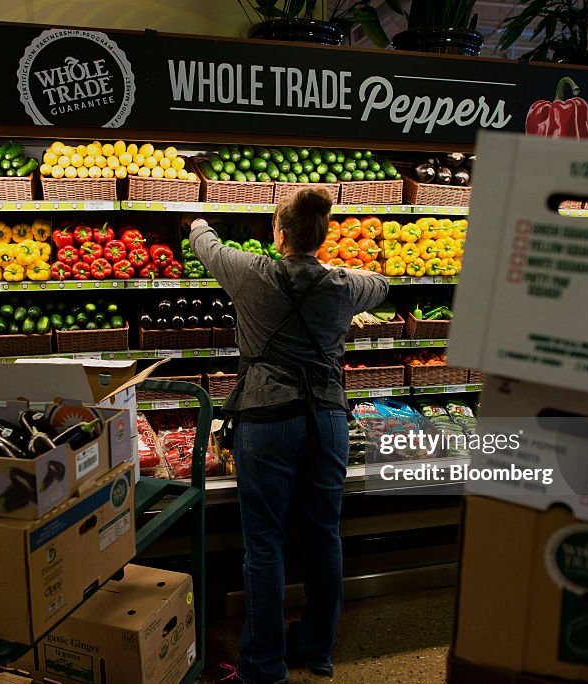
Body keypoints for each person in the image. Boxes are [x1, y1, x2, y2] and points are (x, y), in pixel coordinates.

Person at [187, 188, 389, 684]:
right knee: (323, 536)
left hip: (267, 418)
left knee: (265, 544)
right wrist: (341, 273)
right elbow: (383, 283)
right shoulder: (343, 285)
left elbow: (206, 246)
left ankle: (264, 666)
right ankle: (319, 649)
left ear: (278, 233)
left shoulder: (250, 271)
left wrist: (197, 221)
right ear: (322, 235)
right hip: (327, 419)